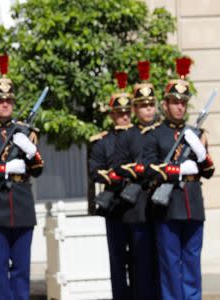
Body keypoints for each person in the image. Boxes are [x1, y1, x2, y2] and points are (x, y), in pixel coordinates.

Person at [142, 57, 215, 299]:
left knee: (192, 262)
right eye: (174, 102)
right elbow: (148, 168)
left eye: (183, 103)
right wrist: (179, 170)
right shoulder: (154, 135)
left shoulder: (197, 134)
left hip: (193, 204)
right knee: (170, 265)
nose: (180, 107)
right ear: (165, 105)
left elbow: (208, 171)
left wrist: (202, 151)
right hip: (168, 205)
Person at [0, 55, 44, 300]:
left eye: (9, 100)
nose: (5, 105)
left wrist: (32, 153)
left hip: (22, 207)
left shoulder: (24, 131)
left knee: (22, 270)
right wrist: (7, 169)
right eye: (0, 101)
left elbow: (38, 169)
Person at [111, 61, 160, 299]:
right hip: (137, 207)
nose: (147, 110)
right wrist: (143, 170)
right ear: (135, 109)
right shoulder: (128, 135)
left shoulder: (162, 132)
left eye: (151, 105)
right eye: (142, 106)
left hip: (162, 206)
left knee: (161, 263)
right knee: (140, 264)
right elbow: (119, 166)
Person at [88, 72, 133, 299]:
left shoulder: (139, 136)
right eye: (119, 113)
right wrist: (115, 177)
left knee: (139, 262)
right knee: (117, 261)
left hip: (136, 208)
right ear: (112, 115)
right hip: (115, 206)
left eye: (127, 113)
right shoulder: (103, 141)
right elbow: (94, 170)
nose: (123, 117)